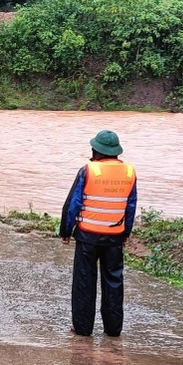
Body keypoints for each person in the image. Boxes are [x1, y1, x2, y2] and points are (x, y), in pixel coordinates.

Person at [59, 130, 138, 337]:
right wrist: (126, 232)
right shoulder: (129, 172)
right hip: (114, 237)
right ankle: (113, 329)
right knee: (114, 281)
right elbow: (131, 206)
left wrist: (65, 231)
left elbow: (73, 204)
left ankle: (83, 328)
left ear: (96, 150)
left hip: (88, 236)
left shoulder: (88, 170)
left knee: (85, 281)